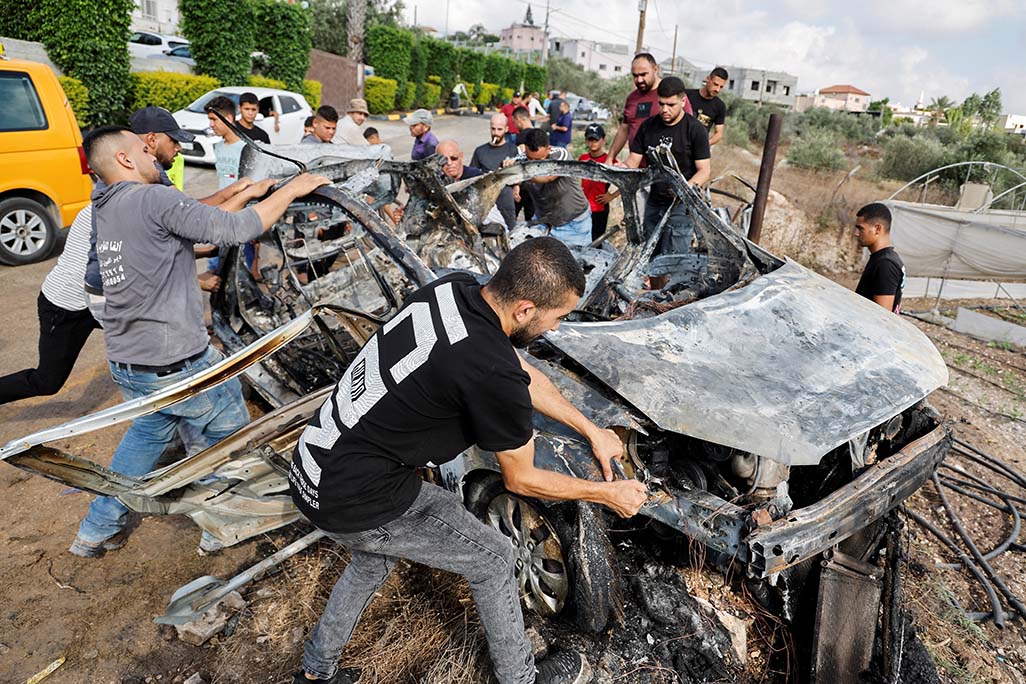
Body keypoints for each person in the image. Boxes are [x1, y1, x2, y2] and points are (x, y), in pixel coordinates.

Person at [288, 237, 647, 684]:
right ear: (525, 309)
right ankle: (520, 678)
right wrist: (606, 494)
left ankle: (315, 673)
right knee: (494, 558)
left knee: (371, 558)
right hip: (355, 496)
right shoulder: (490, 371)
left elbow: (520, 373)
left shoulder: (454, 290)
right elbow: (522, 480)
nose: (556, 328)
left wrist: (592, 430)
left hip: (312, 467)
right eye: (557, 317)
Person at [69, 126, 329, 558]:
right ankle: (220, 525)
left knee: (148, 435)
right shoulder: (153, 198)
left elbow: (189, 224)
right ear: (126, 160)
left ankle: (95, 530)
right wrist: (295, 189)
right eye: (144, 150)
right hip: (175, 362)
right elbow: (239, 229)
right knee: (225, 434)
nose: (154, 155)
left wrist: (247, 192)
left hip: (130, 361)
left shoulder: (105, 204)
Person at [1, 107, 249, 405]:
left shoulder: (147, 183)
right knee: (48, 380)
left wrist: (233, 194)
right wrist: (199, 276)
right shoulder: (116, 197)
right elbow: (140, 259)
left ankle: (171, 410)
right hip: (71, 304)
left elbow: (174, 224)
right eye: (174, 141)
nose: (178, 148)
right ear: (150, 143)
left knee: (162, 347)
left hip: (105, 297)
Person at [626, 77, 710, 255]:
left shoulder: (695, 129)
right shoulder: (648, 127)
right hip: (655, 200)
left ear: (683, 101)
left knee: (673, 259)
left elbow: (704, 170)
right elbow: (633, 161)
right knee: (650, 256)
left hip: (681, 205)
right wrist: (617, 169)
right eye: (661, 104)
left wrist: (684, 190)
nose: (665, 110)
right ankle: (656, 284)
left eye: (671, 105)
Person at [511, 128, 592, 247]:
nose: (533, 164)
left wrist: (521, 175)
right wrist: (515, 184)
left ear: (548, 148)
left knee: (574, 262)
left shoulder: (560, 155)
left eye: (538, 160)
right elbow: (510, 172)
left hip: (573, 223)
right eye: (530, 159)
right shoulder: (521, 159)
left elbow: (548, 177)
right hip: (544, 221)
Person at [608, 53, 693, 163]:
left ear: (655, 69)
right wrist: (610, 157)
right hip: (636, 167)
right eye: (635, 75)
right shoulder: (632, 98)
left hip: (664, 170)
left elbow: (687, 129)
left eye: (643, 74)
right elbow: (624, 129)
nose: (639, 80)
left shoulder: (673, 96)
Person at [206, 96, 258, 275]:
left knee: (240, 273)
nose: (211, 124)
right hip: (221, 216)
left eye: (214, 119)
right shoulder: (218, 147)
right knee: (215, 269)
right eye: (210, 120)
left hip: (241, 219)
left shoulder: (248, 149)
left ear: (228, 119)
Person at [471, 114, 520, 231]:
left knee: (509, 231)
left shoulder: (512, 149)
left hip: (505, 199)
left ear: (506, 129)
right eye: (493, 129)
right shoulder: (480, 151)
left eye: (499, 129)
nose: (496, 133)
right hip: (485, 200)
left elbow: (519, 174)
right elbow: (472, 175)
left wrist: (517, 187)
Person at [854, 203, 905, 313]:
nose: (856, 234)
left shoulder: (886, 264)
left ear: (877, 229)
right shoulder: (882, 259)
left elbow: (882, 318)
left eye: (860, 229)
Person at [579, 123, 615, 242]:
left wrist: (611, 195)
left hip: (600, 207)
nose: (593, 143)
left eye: (596, 139)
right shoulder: (583, 158)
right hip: (583, 207)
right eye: (590, 140)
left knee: (597, 241)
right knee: (583, 239)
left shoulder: (609, 160)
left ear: (603, 140)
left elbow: (627, 181)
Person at [685, 68, 728, 146]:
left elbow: (718, 133)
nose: (717, 89)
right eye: (715, 84)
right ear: (708, 79)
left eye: (721, 87)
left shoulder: (720, 106)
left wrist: (705, 144)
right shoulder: (687, 95)